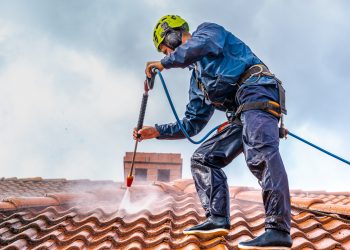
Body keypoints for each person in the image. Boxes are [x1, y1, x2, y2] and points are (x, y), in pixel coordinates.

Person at [134, 15, 292, 249]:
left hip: (257, 92)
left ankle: (278, 229)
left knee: (259, 153)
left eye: (165, 47)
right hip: (242, 112)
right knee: (203, 159)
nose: (166, 54)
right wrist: (155, 131)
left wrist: (165, 64)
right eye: (163, 52)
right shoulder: (197, 81)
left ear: (174, 34)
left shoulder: (208, 32)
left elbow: (200, 46)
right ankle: (217, 218)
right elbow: (192, 124)